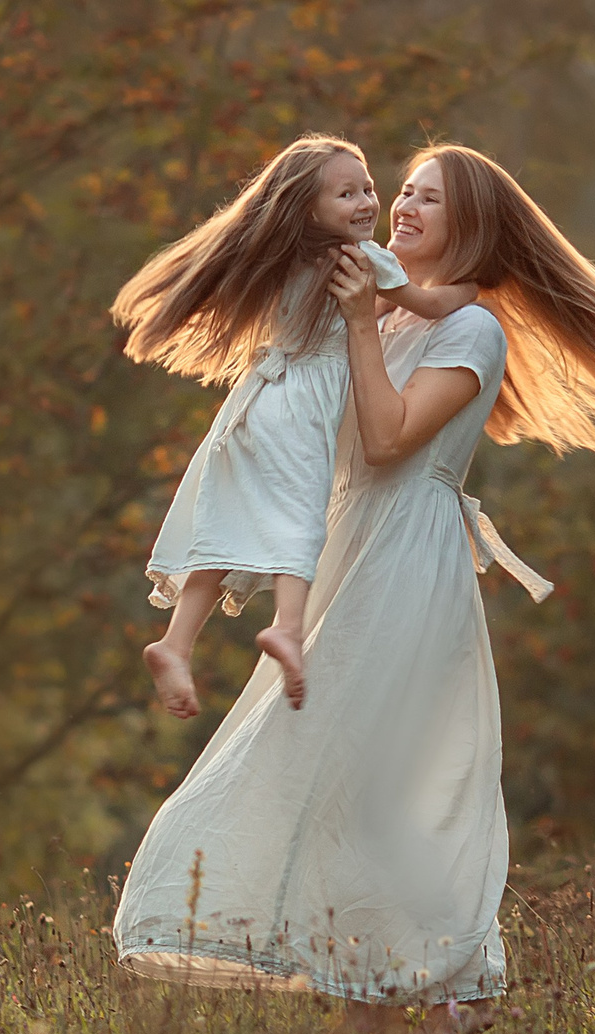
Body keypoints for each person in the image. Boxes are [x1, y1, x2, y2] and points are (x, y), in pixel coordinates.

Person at [113, 145, 595, 1034]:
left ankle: (434, 992)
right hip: (351, 549)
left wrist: (358, 322)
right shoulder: (386, 315)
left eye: (427, 200)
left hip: (406, 561)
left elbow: (389, 442)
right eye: (405, 194)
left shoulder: (472, 332)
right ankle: (399, 1008)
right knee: (340, 781)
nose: (401, 208)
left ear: (469, 226)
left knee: (371, 784)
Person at [112, 135, 478, 717]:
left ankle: (176, 643)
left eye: (368, 189)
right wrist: (473, 288)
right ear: (311, 209)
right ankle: (287, 626)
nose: (367, 203)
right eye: (346, 194)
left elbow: (364, 311)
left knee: (222, 526)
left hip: (254, 401)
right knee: (302, 514)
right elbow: (426, 306)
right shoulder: (365, 261)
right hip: (299, 408)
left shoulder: (290, 259)